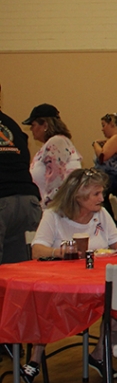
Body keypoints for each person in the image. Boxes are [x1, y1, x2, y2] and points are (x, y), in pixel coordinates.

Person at [26, 168, 117, 381]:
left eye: (101, 193)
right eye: (96, 194)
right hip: (62, 283)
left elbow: (114, 241)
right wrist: (61, 252)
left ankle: (100, 353)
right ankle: (35, 359)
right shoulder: (53, 216)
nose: (102, 198)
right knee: (45, 301)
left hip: (97, 280)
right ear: (77, 196)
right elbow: (37, 250)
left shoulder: (100, 214)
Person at [0, 83, 42, 264]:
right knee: (18, 271)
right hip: (27, 201)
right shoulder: (12, 125)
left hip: (2, 199)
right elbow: (24, 159)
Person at [22, 103, 81, 207]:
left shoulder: (56, 143)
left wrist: (48, 209)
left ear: (45, 125)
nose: (31, 129)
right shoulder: (52, 144)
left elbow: (56, 180)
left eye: (33, 125)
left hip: (55, 209)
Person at [92, 112, 117, 196]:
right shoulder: (115, 140)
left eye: (103, 125)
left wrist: (95, 144)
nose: (102, 129)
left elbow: (102, 157)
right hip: (112, 183)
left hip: (116, 184)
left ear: (111, 124)